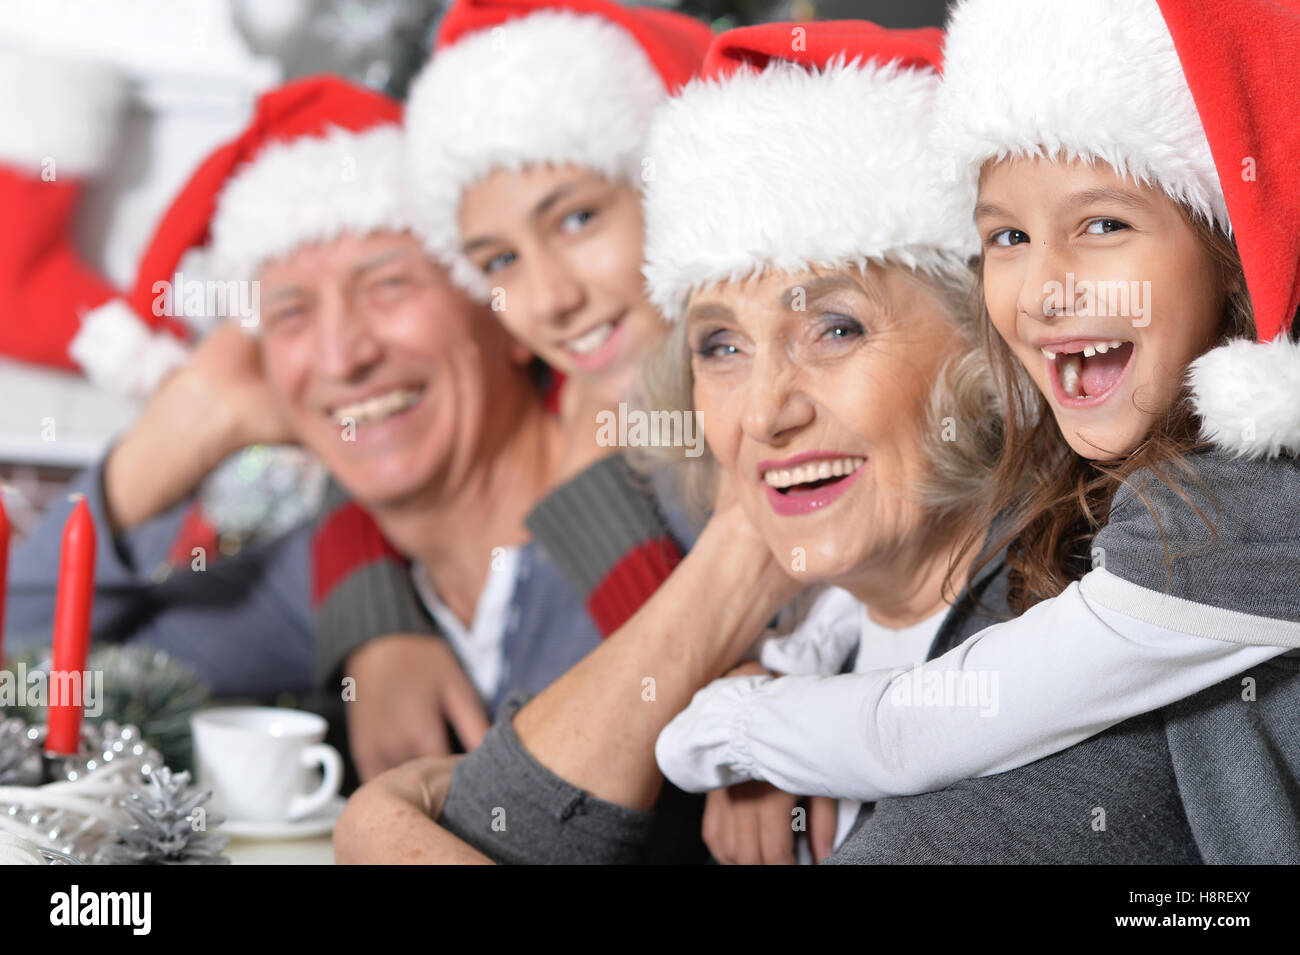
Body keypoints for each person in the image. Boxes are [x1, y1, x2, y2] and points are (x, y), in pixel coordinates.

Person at [655, 0, 1300, 864]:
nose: (1042, 290)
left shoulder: (1230, 506)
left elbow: (928, 726)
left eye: (1103, 224)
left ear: (1230, 247)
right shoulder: (1144, 496)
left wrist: (725, 726)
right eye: (1008, 235)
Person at [6, 78, 611, 785]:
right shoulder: (315, 581)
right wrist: (187, 420)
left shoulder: (655, 511)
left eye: (389, 285)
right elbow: (30, 661)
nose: (342, 356)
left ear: (504, 312)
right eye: (290, 312)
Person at [315, 0, 714, 776]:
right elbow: (363, 452)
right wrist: (376, 619)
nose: (551, 298)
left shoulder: (754, 440)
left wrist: (739, 713)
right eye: (499, 261)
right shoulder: (531, 407)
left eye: (576, 220)